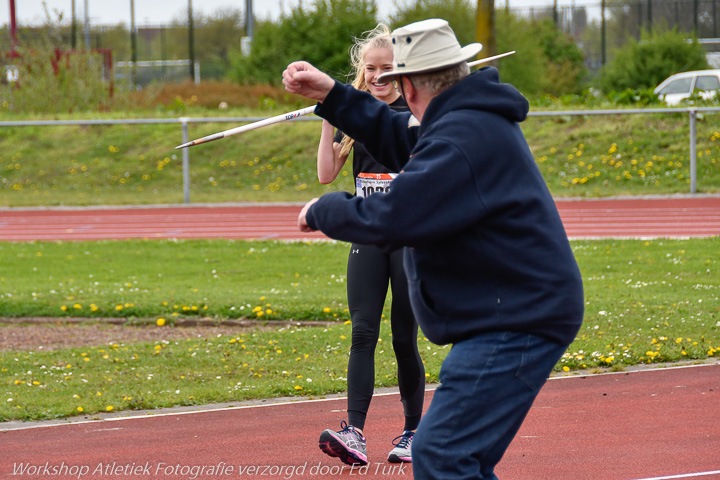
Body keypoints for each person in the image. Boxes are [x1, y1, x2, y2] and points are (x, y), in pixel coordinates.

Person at [284, 18, 584, 480]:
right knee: (457, 460)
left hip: (516, 319)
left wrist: (325, 211)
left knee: (442, 454)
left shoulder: (464, 136)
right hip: (508, 315)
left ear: (410, 86)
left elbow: (397, 215)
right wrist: (330, 92)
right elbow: (394, 135)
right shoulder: (461, 122)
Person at [315, 24, 425, 467]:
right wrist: (330, 120)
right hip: (367, 237)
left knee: (404, 338)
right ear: (362, 72)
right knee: (362, 332)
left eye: (388, 70)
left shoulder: (413, 118)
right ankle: (355, 433)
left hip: (408, 240)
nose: (379, 77)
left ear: (402, 74)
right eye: (371, 69)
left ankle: (414, 431)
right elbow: (326, 175)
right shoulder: (355, 116)